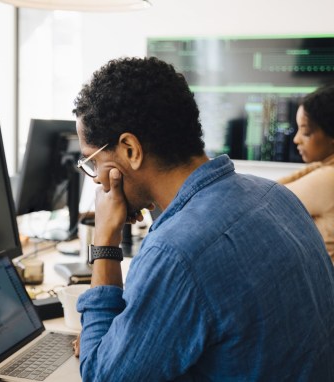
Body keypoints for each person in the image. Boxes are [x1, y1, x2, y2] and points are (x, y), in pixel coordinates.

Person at [72, 57, 334, 381]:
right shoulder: (274, 196)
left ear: (130, 149)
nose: (97, 180)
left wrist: (105, 242)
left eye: (93, 161)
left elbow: (103, 376)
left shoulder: (175, 254)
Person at [277, 85, 334, 262]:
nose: (296, 139)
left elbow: (264, 199)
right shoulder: (324, 168)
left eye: (306, 132)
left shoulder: (329, 179)